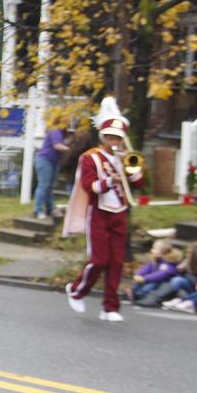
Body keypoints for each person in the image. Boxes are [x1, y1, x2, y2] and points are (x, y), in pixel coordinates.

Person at [63, 96, 145, 322]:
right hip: (98, 212)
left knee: (116, 262)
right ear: (102, 135)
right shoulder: (90, 158)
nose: (114, 141)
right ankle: (77, 290)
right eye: (110, 136)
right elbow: (90, 186)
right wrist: (112, 180)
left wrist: (133, 170)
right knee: (99, 260)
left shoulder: (127, 157)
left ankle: (110, 307)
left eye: (118, 137)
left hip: (119, 212)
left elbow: (138, 183)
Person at [34, 116, 70, 219]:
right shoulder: (55, 130)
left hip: (54, 162)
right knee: (44, 185)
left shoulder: (62, 133)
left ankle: (50, 208)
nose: (68, 122)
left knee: (50, 186)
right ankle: (38, 210)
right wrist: (70, 150)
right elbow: (57, 145)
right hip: (45, 160)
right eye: (66, 120)